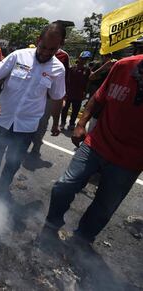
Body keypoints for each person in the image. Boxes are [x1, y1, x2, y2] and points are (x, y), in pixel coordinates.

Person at [45, 51, 143, 247]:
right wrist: (81, 124)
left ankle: (82, 240)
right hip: (97, 143)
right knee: (64, 185)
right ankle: (51, 224)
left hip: (130, 160)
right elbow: (98, 98)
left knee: (105, 206)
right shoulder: (123, 66)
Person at [0, 23, 66, 199]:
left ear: (59, 47)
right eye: (43, 47)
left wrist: (56, 123)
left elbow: (57, 98)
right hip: (1, 119)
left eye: (52, 49)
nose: (45, 52)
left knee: (13, 163)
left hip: (26, 127)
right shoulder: (18, 56)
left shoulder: (58, 70)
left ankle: (2, 191)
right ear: (38, 40)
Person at [60, 51, 91, 131]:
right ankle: (63, 123)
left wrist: (86, 93)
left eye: (86, 60)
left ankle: (72, 124)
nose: (84, 61)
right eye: (83, 59)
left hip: (79, 94)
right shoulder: (71, 68)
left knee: (75, 110)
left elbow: (88, 82)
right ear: (79, 58)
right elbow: (66, 80)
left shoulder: (87, 70)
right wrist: (64, 91)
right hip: (69, 92)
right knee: (65, 108)